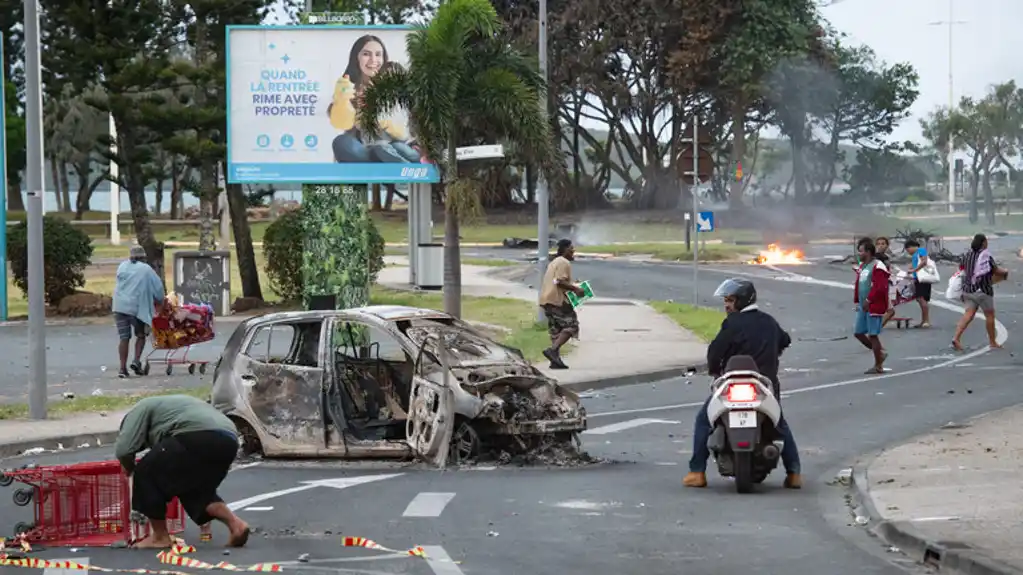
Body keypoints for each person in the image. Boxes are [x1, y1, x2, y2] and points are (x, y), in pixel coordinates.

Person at [682, 278, 802, 490]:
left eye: (730, 300)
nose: (727, 305)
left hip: (732, 386)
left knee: (704, 420)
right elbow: (785, 340)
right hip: (764, 387)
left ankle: (697, 472)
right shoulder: (769, 321)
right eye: (725, 300)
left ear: (743, 300)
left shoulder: (732, 323)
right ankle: (794, 473)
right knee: (779, 425)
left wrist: (715, 371)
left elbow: (715, 352)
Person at [115, 395, 250, 549]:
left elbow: (124, 450)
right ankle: (236, 525)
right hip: (228, 440)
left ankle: (160, 537)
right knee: (195, 491)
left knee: (145, 474)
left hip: (196, 434)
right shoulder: (169, 408)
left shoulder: (137, 412)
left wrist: (130, 468)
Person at [112, 246, 165, 378]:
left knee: (124, 337)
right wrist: (160, 301)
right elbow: (158, 288)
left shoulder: (122, 266)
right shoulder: (146, 269)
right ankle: (136, 361)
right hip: (135, 307)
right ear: (143, 258)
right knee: (141, 335)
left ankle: (122, 369)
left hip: (119, 306)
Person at [953, 233, 1006, 351]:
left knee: (968, 314)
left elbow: (961, 269)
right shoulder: (986, 256)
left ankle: (956, 337)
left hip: (968, 290)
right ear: (983, 243)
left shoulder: (966, 255)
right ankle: (992, 341)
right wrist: (1005, 272)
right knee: (990, 315)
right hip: (983, 291)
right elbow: (995, 270)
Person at [539, 239, 586, 370]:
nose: (573, 252)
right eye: (571, 249)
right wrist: (576, 289)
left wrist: (572, 285)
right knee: (572, 326)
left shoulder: (554, 262)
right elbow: (558, 281)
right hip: (557, 300)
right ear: (565, 250)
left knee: (556, 330)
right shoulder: (564, 262)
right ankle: (553, 351)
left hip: (546, 300)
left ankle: (555, 362)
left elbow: (557, 280)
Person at [853, 239, 890, 374]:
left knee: (873, 335)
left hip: (873, 304)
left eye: (861, 251)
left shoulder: (878, 266)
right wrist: (857, 300)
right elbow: (860, 283)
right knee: (858, 333)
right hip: (863, 305)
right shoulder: (863, 266)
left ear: (868, 252)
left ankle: (878, 365)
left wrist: (869, 300)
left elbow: (880, 287)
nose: (859, 253)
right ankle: (880, 353)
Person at [903, 239, 932, 328]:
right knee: (919, 299)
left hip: (922, 279)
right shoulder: (915, 255)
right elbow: (913, 264)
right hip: (918, 279)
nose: (908, 253)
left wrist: (914, 270)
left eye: (908, 250)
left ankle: (926, 320)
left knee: (921, 299)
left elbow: (924, 261)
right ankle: (923, 320)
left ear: (911, 247)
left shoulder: (921, 251)